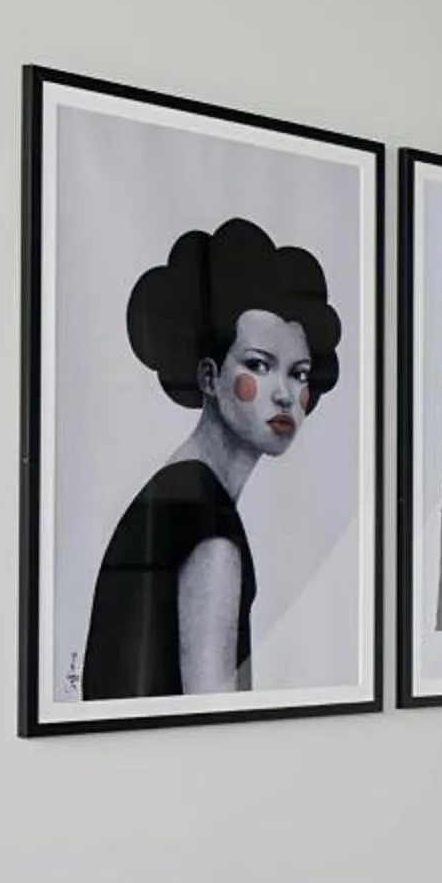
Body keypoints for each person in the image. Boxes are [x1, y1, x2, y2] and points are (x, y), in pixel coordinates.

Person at [79, 218, 343, 699]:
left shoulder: (174, 496)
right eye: (259, 366)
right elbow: (215, 720)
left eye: (299, 373)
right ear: (207, 376)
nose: (284, 395)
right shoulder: (207, 525)